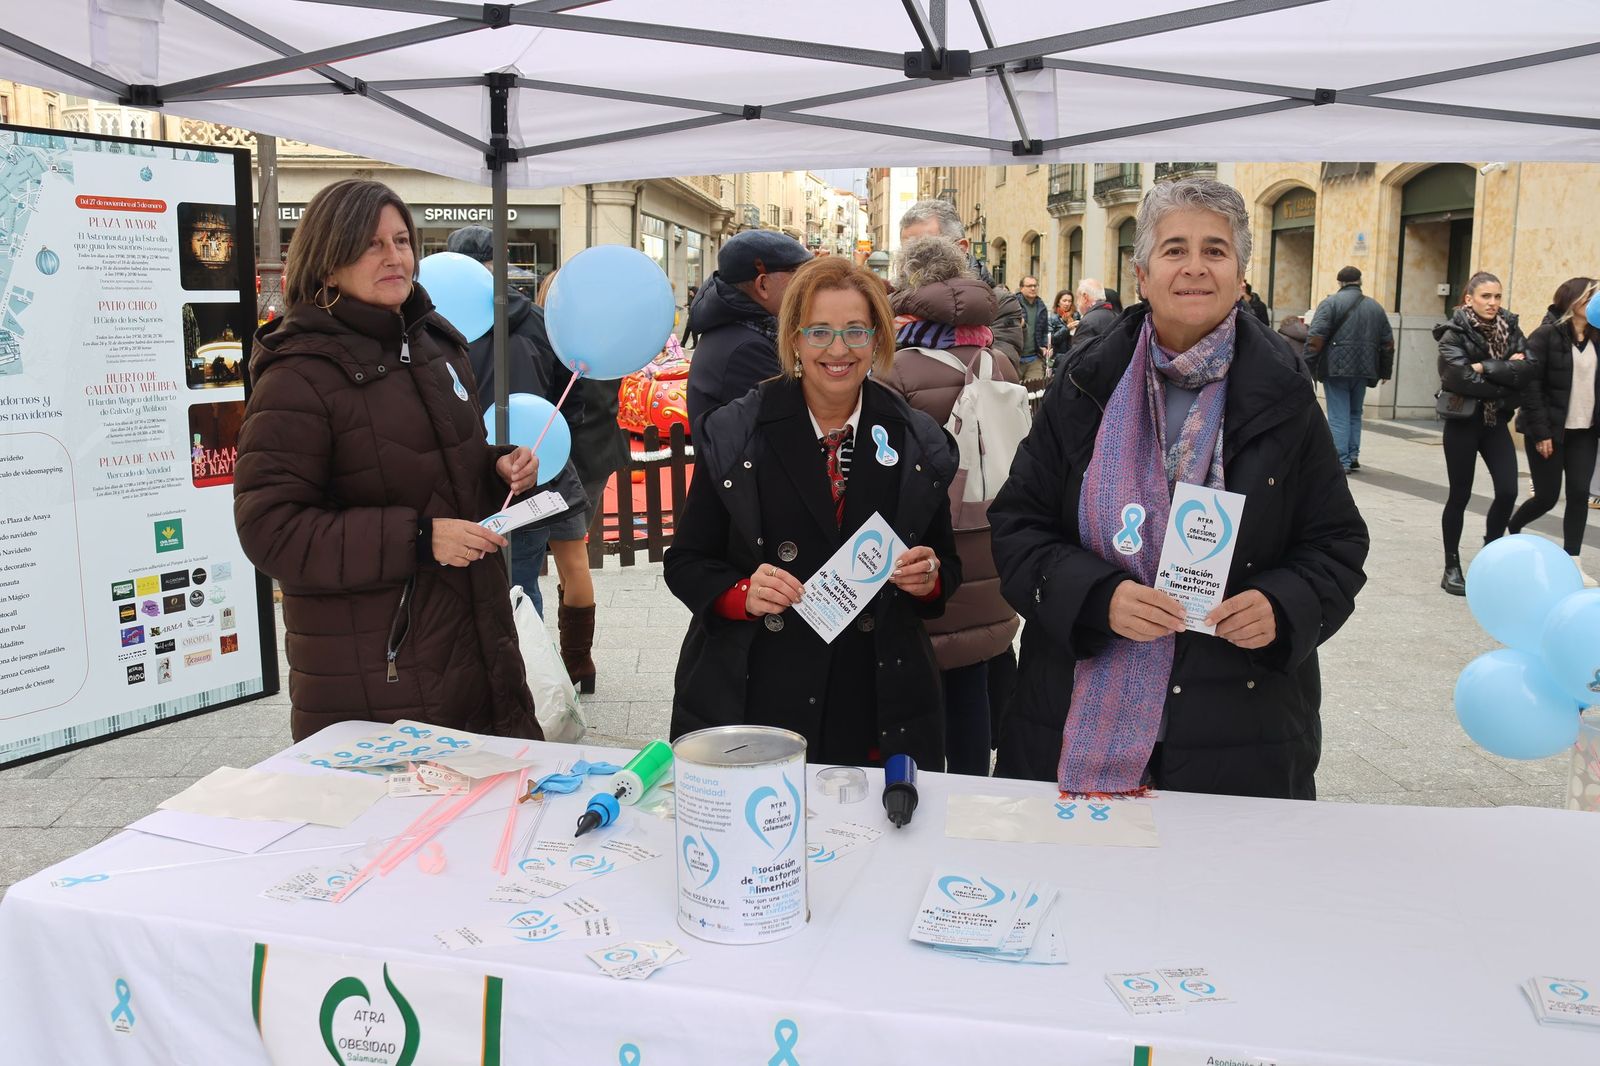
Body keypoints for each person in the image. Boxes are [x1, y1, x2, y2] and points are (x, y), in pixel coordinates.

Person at [989, 177, 1369, 798]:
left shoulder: (1285, 391)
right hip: (1076, 711)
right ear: (1141, 274)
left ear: (1241, 275)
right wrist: (1097, 599)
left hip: (1241, 727)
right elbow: (1018, 525)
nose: (1195, 267)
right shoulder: (1086, 382)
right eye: (1175, 249)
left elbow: (1336, 543)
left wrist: (1282, 605)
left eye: (1215, 250)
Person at [234, 178, 543, 741]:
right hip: (379, 673)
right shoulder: (298, 373)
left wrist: (494, 465)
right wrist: (419, 539)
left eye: (402, 241)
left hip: (475, 642)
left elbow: (432, 464)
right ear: (328, 262)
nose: (394, 256)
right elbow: (270, 529)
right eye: (371, 244)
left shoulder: (436, 345)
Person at [665, 256, 962, 768]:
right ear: (795, 339)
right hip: (760, 690)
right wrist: (742, 594)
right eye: (820, 331)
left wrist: (928, 577)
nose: (839, 350)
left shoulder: (916, 438)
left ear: (878, 338)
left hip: (873, 698)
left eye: (855, 331)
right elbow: (687, 562)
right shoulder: (738, 431)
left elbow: (945, 570)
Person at [883, 234, 1020, 775]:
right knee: (977, 671)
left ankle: (922, 794)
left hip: (935, 551)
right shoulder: (1000, 364)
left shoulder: (897, 372)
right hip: (996, 543)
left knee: (926, 679)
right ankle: (974, 793)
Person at [445, 225, 591, 627]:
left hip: (462, 480)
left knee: (460, 592)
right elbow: (572, 397)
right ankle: (532, 678)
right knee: (522, 589)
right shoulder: (540, 322)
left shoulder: (436, 330)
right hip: (531, 474)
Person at [533, 268, 624, 692]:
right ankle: (577, 661)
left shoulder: (553, 343)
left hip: (565, 461)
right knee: (574, 562)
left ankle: (573, 659)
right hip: (595, 454)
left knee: (568, 561)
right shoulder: (604, 341)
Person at [1435, 271, 1530, 596]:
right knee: (1459, 495)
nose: (1493, 303)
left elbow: (1527, 372)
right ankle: (1451, 566)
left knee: (1507, 491)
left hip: (1494, 423)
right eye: (1486, 296)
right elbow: (1458, 378)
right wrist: (1504, 372)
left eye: (1497, 296)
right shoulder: (1453, 332)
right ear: (1469, 299)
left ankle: (1491, 557)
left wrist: (1483, 367)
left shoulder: (1512, 328)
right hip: (1462, 423)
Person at [1509, 277, 1599, 586]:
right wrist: (1541, 432)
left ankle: (1573, 561)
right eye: (1591, 299)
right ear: (1573, 302)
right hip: (1549, 431)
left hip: (1585, 431)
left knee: (1578, 494)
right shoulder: (1545, 336)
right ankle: (1513, 528)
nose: (1595, 305)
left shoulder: (1599, 336)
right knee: (1546, 498)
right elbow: (1531, 388)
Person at [684, 230, 813, 436]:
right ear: (763, 285)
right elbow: (794, 426)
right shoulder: (747, 349)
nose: (808, 288)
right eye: (800, 277)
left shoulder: (743, 331)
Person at [898, 199, 1025, 374]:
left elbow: (1001, 372)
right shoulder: (897, 300)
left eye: (927, 248)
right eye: (907, 251)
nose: (913, 259)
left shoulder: (999, 303)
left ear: (961, 248)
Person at [1306, 266, 1395, 473]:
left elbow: (1316, 338)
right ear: (1359, 281)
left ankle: (1341, 460)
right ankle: (1353, 456)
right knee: (1355, 412)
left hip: (1336, 368)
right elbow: (1388, 342)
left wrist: (1307, 364)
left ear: (1339, 283)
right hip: (1365, 369)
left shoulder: (1330, 304)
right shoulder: (1375, 307)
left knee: (1338, 414)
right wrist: (1385, 370)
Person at [1015, 275, 1051, 386]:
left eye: (1035, 285)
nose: (1033, 288)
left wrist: (1044, 346)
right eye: (1029, 286)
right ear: (1021, 288)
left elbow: (1045, 330)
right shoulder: (1013, 304)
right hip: (1016, 358)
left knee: (1035, 391)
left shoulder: (1041, 306)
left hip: (1034, 359)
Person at [1071, 278, 1118, 351]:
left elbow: (1077, 357)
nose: (1077, 302)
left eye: (1078, 297)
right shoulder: (1116, 316)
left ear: (1085, 297)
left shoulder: (1087, 322)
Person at [1049, 288, 1075, 356]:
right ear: (1058, 302)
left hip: (1073, 355)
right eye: (1064, 301)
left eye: (1070, 301)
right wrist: (1067, 328)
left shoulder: (1076, 316)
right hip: (1059, 356)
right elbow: (1052, 340)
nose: (1067, 303)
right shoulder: (1052, 318)